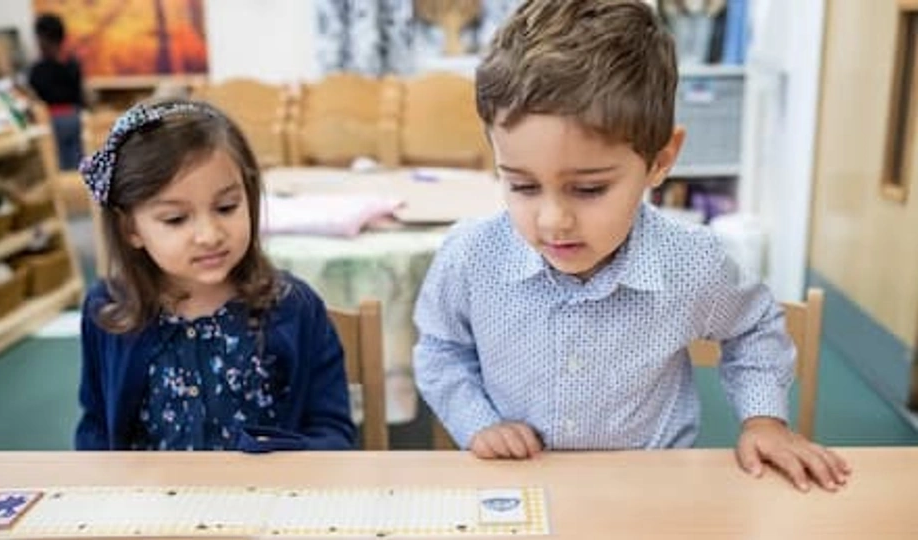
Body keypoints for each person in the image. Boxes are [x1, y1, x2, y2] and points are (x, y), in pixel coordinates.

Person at [413, 0, 851, 492]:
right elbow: (440, 351)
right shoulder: (470, 256)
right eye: (522, 186)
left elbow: (754, 327)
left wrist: (764, 421)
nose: (553, 220)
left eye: (589, 189)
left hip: (651, 492)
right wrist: (479, 423)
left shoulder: (690, 262)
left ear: (660, 160)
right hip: (516, 489)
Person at [75, 98, 356, 451]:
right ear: (130, 228)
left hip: (273, 500)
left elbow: (331, 432)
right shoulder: (108, 310)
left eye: (227, 207)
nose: (209, 235)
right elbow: (96, 429)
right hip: (149, 503)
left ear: (249, 197)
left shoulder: (293, 307)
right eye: (176, 219)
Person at [28, 13, 84, 170]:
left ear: (43, 38)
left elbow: (36, 97)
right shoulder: (73, 63)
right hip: (75, 116)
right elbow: (78, 94)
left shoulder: (39, 69)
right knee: (76, 163)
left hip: (53, 120)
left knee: (60, 165)